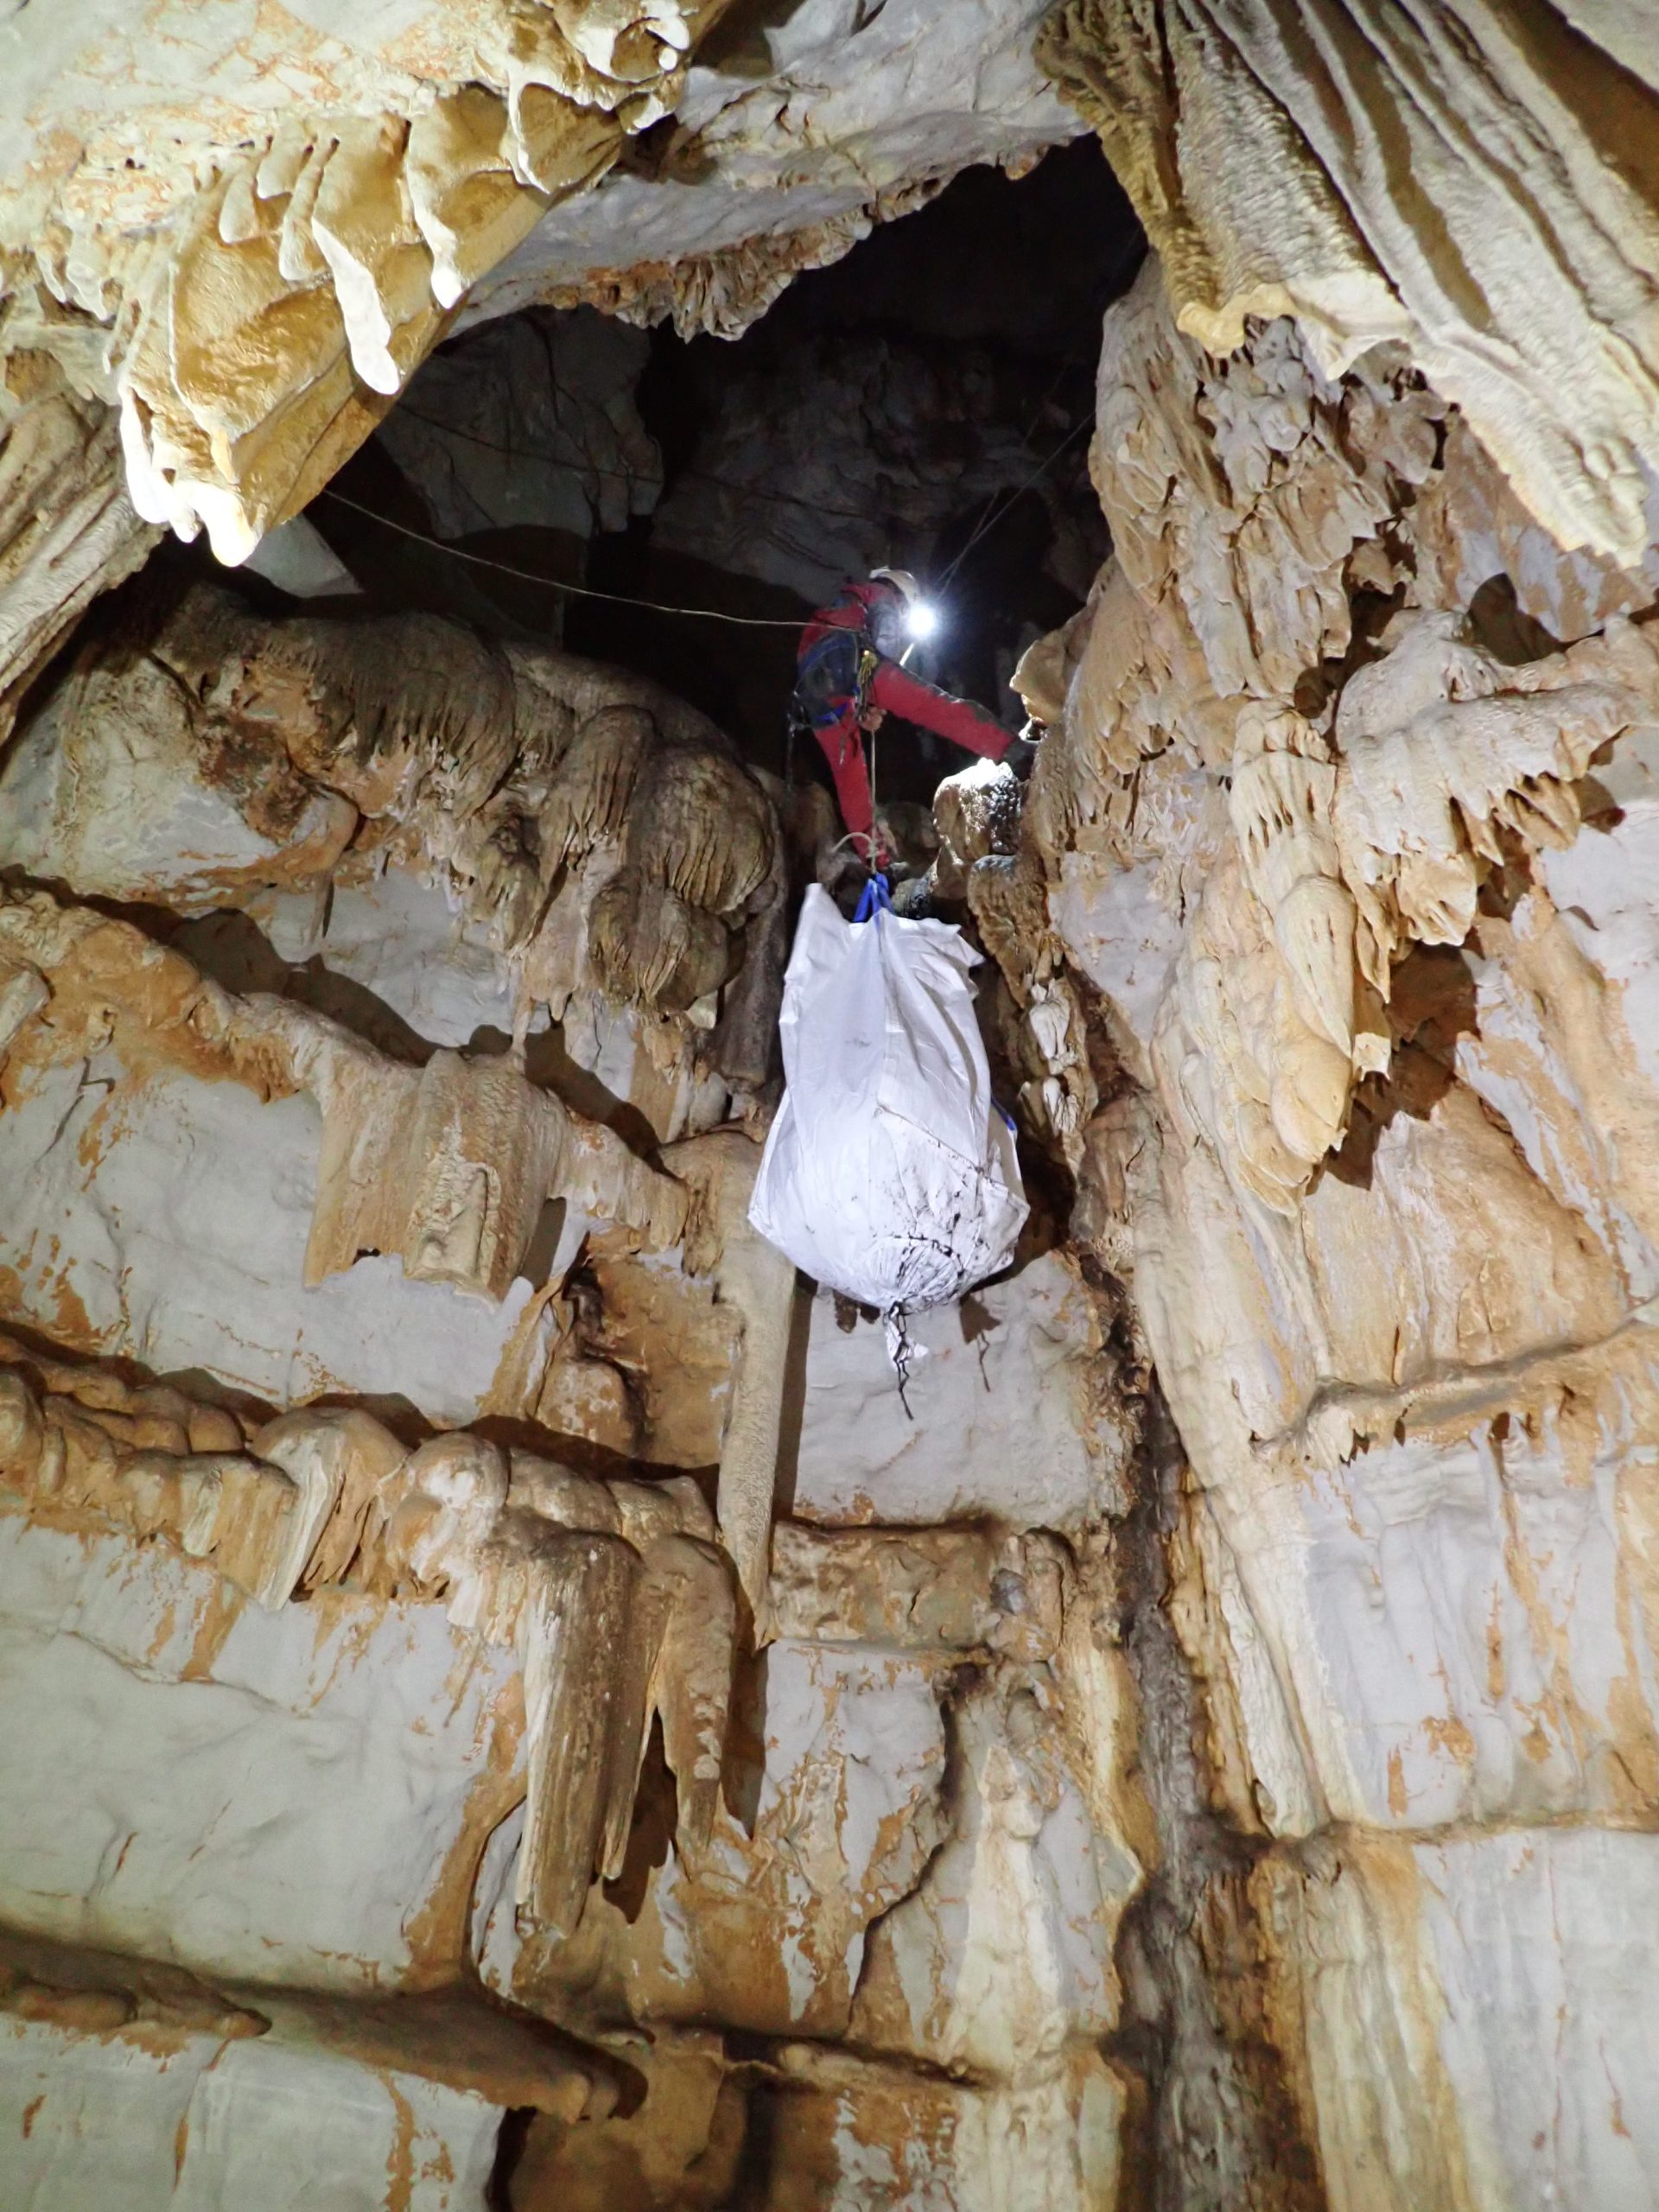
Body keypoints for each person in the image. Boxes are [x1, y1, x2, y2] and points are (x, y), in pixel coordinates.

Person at [792, 568, 1011, 867]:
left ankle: (877, 861)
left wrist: (864, 706)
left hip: (817, 695)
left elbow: (825, 663)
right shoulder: (880, 594)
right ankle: (1010, 748)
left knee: (850, 778)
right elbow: (883, 641)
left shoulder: (835, 607)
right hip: (853, 662)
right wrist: (885, 677)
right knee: (936, 706)